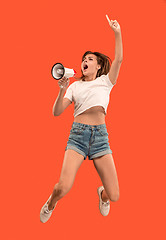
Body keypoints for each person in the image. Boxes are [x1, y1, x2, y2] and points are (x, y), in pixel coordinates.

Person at [40, 15, 123, 223]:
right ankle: (51, 203)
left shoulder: (106, 81)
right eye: (84, 59)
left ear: (98, 66)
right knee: (62, 187)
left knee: (114, 195)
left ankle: (101, 193)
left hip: (100, 138)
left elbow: (119, 59)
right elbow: (57, 112)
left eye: (90, 59)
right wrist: (61, 90)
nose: (85, 61)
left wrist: (117, 32)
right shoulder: (74, 86)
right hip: (78, 136)